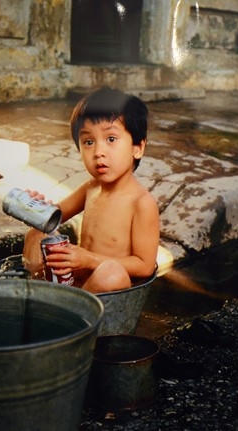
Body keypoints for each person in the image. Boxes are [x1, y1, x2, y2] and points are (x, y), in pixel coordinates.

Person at [22, 87, 159, 293]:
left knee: (112, 273)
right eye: (88, 142)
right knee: (36, 232)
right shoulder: (90, 188)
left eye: (111, 139)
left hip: (108, 290)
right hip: (77, 280)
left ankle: (68, 304)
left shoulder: (141, 203)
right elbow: (54, 217)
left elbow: (145, 266)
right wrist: (36, 210)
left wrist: (88, 259)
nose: (98, 152)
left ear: (137, 148)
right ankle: (35, 291)